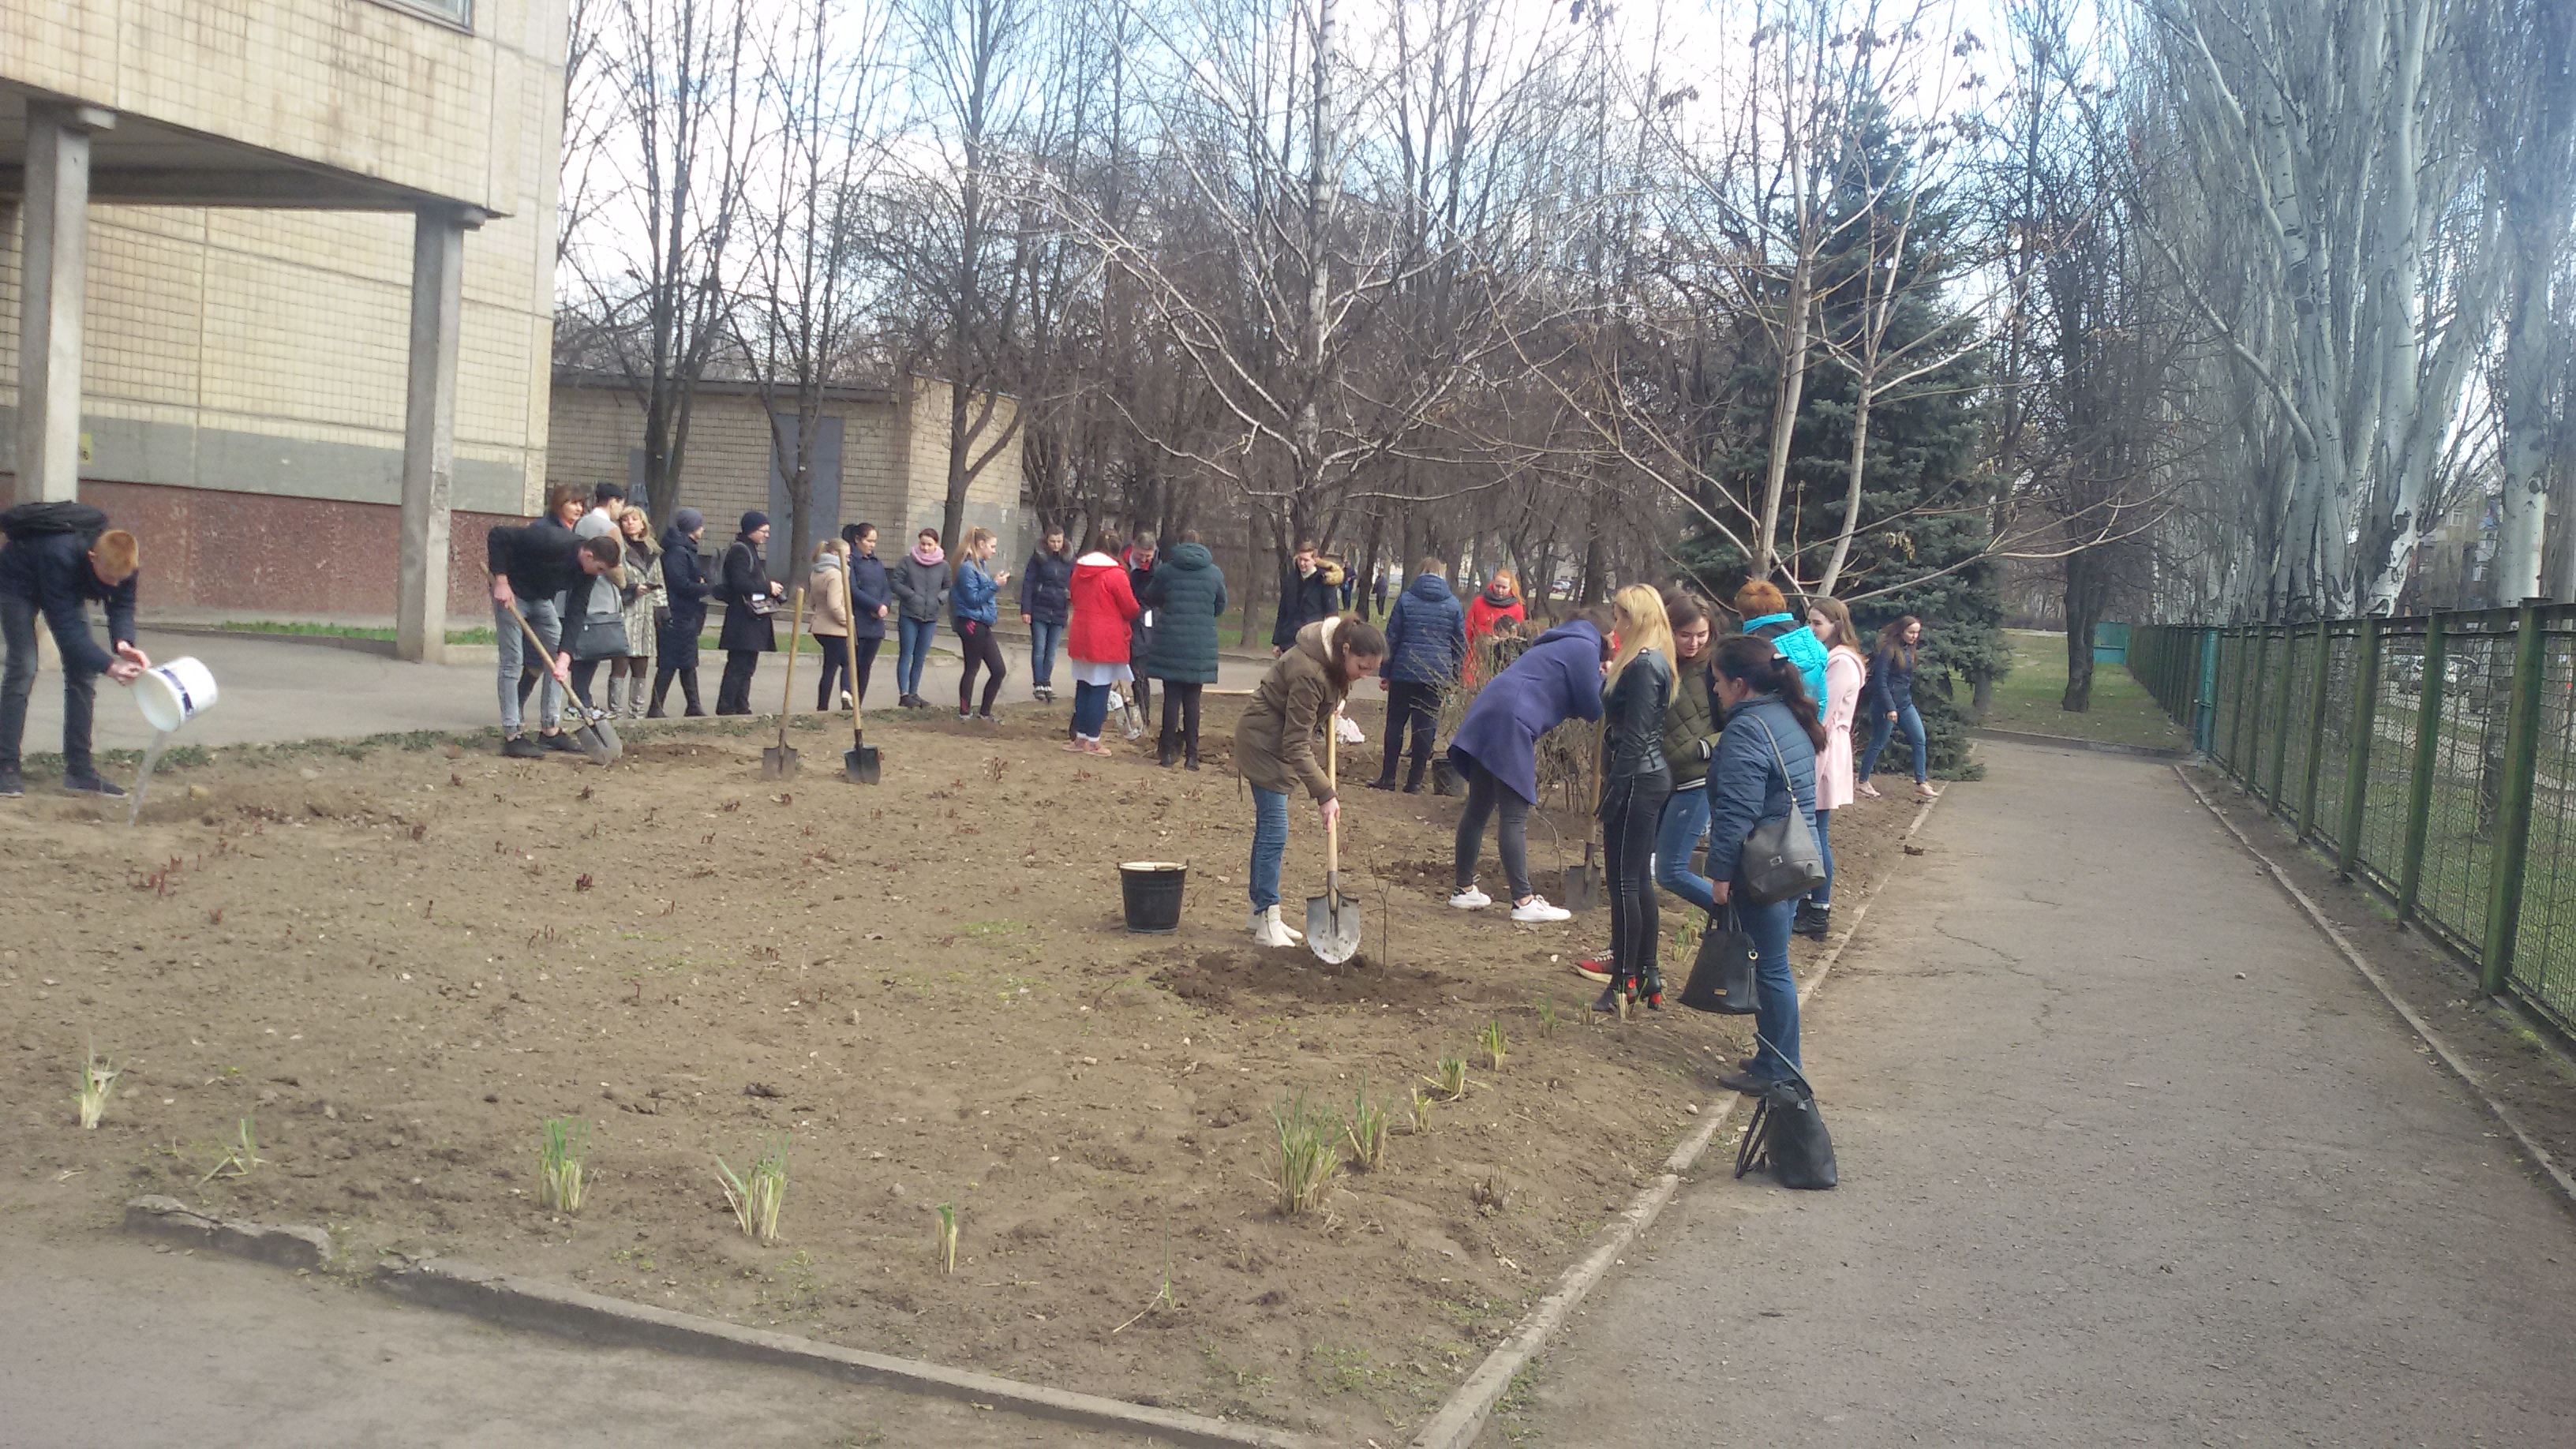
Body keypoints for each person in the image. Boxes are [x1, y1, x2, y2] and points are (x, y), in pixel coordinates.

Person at [1705, 634, 1825, 1095]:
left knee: (1772, 969)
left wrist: (1720, 874)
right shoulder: (1786, 715)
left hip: (1764, 866)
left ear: (1740, 684)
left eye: (1718, 681)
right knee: (1774, 964)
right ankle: (1773, 1055)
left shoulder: (1747, 729)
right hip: (1795, 856)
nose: (1715, 689)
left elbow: (1737, 810)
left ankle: (1780, 1068)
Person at [1234, 615, 1388, 946]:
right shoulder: (1310, 672)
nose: (1363, 675)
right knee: (1274, 829)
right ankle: (1267, 916)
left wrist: (1335, 702)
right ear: (1345, 650)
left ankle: (1259, 912)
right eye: (1361, 667)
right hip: (1263, 743)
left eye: (1370, 671)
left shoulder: (1331, 660)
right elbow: (1295, 743)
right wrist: (1325, 794)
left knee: (1270, 829)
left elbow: (1327, 691)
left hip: (1275, 740)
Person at [1444, 608, 1606, 923]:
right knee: (1515, 815)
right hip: (1512, 719)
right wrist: (1606, 679)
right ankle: (1523, 901)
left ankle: (1463, 889)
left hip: (1491, 709)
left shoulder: (1560, 641)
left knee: (1479, 805)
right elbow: (1593, 707)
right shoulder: (1586, 647)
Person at [0, 504, 148, 797]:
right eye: (110, 578)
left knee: (82, 671)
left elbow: (121, 604)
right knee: (24, 666)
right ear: (93, 558)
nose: (116, 584)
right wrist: (110, 666)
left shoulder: (124, 562)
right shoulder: (61, 554)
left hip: (65, 586)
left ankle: (80, 771)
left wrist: (123, 643)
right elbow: (68, 632)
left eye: (122, 578)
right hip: (18, 584)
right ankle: (6, 766)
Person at [1592, 586, 1677, 1012]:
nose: (1614, 625)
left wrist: (1615, 790)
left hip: (1637, 779)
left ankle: (1625, 978)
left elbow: (1636, 737)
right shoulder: (1650, 661)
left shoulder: (1644, 665)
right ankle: (1646, 974)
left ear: (1636, 619)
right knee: (1638, 879)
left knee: (1625, 882)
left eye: (1619, 616)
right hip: (1643, 776)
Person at [487, 519, 619, 756]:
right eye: (600, 569)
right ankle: (513, 735)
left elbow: (577, 611)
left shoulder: (588, 573)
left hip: (541, 598)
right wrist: (501, 581)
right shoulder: (552, 540)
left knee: (557, 658)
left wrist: (565, 657)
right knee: (513, 660)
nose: (599, 575)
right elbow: (498, 535)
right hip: (513, 593)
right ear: (588, 555)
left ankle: (550, 730)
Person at [1650, 590, 1724, 919]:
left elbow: (1741, 723)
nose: (1694, 643)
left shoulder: (1715, 668)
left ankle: (1732, 918)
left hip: (1696, 780)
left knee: (1671, 871)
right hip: (1657, 779)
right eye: (1685, 635)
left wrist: (1705, 747)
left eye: (1701, 635)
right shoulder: (1656, 662)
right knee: (1647, 865)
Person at [1800, 594, 1866, 938]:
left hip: (1824, 748)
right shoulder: (1832, 656)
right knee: (1810, 829)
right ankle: (1807, 903)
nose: (1811, 629)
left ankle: (1819, 910)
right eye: (1808, 622)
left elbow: (1824, 711)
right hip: (1824, 744)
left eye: (1817, 623)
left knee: (1816, 832)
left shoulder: (1841, 662)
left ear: (1836, 625)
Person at [1370, 560, 1465, 793]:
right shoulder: (1453, 605)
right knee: (1425, 728)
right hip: (1436, 675)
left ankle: (1388, 777)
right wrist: (1453, 676)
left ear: (1420, 573)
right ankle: (1414, 782)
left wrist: (1386, 672)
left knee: (1395, 724)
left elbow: (1392, 638)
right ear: (1442, 575)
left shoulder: (1406, 599)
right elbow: (1459, 644)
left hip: (1404, 670)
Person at [1140, 530, 1226, 769]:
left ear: (1180, 544)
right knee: (1193, 701)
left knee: (1171, 699)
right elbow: (1220, 606)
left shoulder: (1166, 570)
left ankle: (1167, 753)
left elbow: (1151, 596)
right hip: (1200, 643)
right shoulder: (1214, 573)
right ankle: (1192, 757)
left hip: (1171, 640)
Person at [1065, 528, 1141, 756]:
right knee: (1100, 688)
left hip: (1081, 633)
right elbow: (1130, 608)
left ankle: (1080, 737)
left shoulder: (1079, 570)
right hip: (1105, 637)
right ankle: (1093, 740)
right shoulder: (1116, 574)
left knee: (1083, 685)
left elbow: (1074, 597)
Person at [1858, 614, 1940, 802]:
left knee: (1919, 739)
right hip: (1885, 705)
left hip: (1905, 703)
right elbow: (1880, 682)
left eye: (1917, 633)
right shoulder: (1888, 651)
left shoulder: (1909, 650)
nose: (1914, 637)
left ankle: (1921, 782)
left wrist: (1901, 703)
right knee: (1879, 741)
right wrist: (1890, 708)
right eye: (1911, 632)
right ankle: (1862, 781)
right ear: (1901, 631)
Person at [716, 512, 785, 716]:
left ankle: (741, 705)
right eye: (764, 531)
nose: (767, 536)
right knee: (738, 666)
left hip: (750, 619)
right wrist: (767, 587)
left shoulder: (749, 550)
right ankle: (727, 707)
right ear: (751, 530)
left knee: (747, 666)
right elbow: (740, 583)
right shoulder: (740, 551)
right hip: (742, 619)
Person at [650, 508, 710, 717]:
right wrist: (704, 587)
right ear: (692, 528)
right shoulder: (677, 552)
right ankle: (656, 707)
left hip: (686, 614)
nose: (703, 529)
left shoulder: (686, 549)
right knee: (669, 663)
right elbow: (680, 583)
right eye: (700, 525)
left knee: (688, 662)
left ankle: (693, 705)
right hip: (676, 614)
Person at [951, 526, 1010, 722]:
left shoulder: (980, 565)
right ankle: (965, 713)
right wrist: (995, 585)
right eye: (992, 546)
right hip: (971, 622)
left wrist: (993, 584)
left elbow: (982, 593)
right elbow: (973, 599)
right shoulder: (967, 568)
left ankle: (984, 713)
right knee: (972, 668)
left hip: (982, 622)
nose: (994, 551)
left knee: (998, 670)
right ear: (981, 544)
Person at [1735, 579, 1828, 704]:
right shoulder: (1818, 648)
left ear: (1744, 614)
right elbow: (1821, 700)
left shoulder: (1750, 652)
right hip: (1806, 715)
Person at [609, 505, 662, 720]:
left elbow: (660, 582)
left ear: (643, 524)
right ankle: (614, 712)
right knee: (621, 663)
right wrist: (632, 590)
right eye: (625, 519)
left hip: (646, 615)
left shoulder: (652, 551)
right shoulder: (618, 548)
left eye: (634, 519)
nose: (630, 523)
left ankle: (637, 714)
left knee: (641, 666)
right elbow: (613, 579)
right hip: (626, 612)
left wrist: (662, 610)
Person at [891, 527, 949, 708]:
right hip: (909, 614)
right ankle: (904, 694)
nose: (925, 548)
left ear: (936, 544)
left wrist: (939, 599)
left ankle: (914, 693)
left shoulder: (943, 566)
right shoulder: (908, 562)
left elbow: (948, 587)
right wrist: (910, 595)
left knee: (920, 657)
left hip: (930, 617)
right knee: (906, 654)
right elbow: (895, 582)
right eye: (922, 544)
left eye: (929, 545)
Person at [1018, 526, 1075, 703]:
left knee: (1052, 651)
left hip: (1059, 610)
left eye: (1059, 541)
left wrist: (1072, 599)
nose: (1056, 545)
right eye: (1052, 541)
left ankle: (1046, 681)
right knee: (1039, 648)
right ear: (1046, 540)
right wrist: (1026, 609)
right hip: (1039, 608)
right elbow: (1028, 583)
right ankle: (1038, 684)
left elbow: (1075, 581)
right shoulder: (1038, 557)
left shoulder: (1070, 559)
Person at [842, 522, 892, 710]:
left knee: (866, 666)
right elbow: (853, 590)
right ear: (857, 540)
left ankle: (858, 704)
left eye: (874, 541)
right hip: (859, 620)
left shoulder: (876, 563)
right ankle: (847, 700)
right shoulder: (851, 561)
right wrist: (875, 605)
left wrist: (884, 605)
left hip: (876, 623)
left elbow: (886, 588)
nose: (872, 545)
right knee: (853, 663)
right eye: (869, 541)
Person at [1271, 541, 1340, 655]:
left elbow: (1332, 616)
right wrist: (1277, 642)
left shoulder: (1325, 581)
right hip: (1289, 640)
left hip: (1312, 641)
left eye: (1306, 560)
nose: (1302, 563)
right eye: (1300, 559)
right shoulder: (1290, 580)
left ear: (1315, 560)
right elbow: (1282, 613)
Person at [808, 538, 852, 711]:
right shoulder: (836, 574)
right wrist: (848, 621)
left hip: (819, 625)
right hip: (834, 629)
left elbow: (812, 601)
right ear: (835, 554)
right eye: (846, 556)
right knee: (848, 663)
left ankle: (823, 705)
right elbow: (835, 605)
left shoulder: (817, 571)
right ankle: (845, 696)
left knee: (830, 666)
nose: (848, 560)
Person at [1463, 569, 1526, 684]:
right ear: (1493, 584)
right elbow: (1468, 629)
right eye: (1497, 586)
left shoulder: (1517, 608)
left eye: (1504, 587)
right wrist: (1465, 649)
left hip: (1501, 658)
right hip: (1476, 655)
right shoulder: (1479, 602)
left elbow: (1517, 638)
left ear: (1510, 588)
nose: (1500, 590)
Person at [1124, 533, 1159, 725]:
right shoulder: (1121, 561)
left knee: (1139, 673)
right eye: (1141, 555)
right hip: (1121, 619)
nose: (1144, 560)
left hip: (1144, 622)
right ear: (1133, 547)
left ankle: (1143, 718)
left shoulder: (1156, 569)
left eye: (1148, 556)